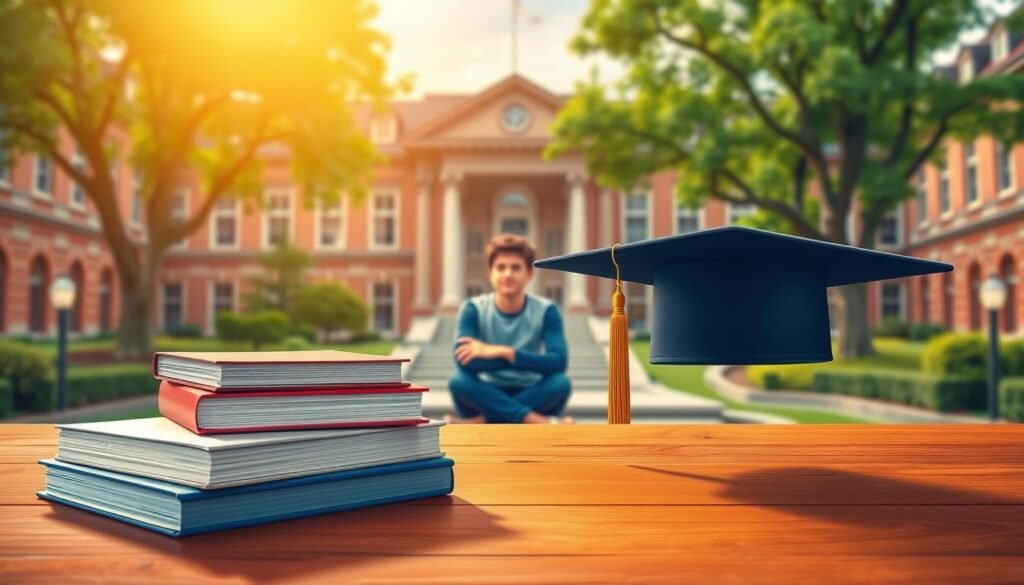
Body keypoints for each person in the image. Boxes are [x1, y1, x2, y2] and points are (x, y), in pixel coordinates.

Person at [445, 234, 574, 424]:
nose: (507, 274)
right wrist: (528, 360)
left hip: (532, 390)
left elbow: (558, 362)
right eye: (501, 267)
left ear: (529, 273)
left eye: (515, 268)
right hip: (487, 390)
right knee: (458, 380)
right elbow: (464, 362)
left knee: (560, 383)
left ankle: (480, 421)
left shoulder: (547, 310)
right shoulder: (473, 308)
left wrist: (505, 352)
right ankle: (533, 419)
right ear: (490, 273)